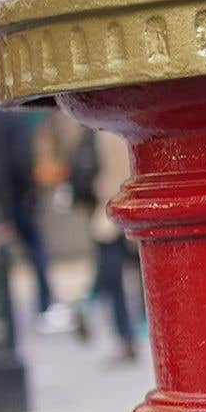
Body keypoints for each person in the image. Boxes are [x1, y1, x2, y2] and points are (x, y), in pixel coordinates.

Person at [0, 100, 66, 331]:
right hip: (18, 197)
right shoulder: (14, 122)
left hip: (7, 197)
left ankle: (37, 303)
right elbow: (20, 161)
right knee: (35, 251)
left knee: (20, 252)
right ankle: (45, 301)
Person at [79, 123, 141, 362]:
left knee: (111, 279)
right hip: (119, 209)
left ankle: (88, 309)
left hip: (112, 209)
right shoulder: (121, 127)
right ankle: (126, 335)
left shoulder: (98, 127)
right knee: (114, 278)